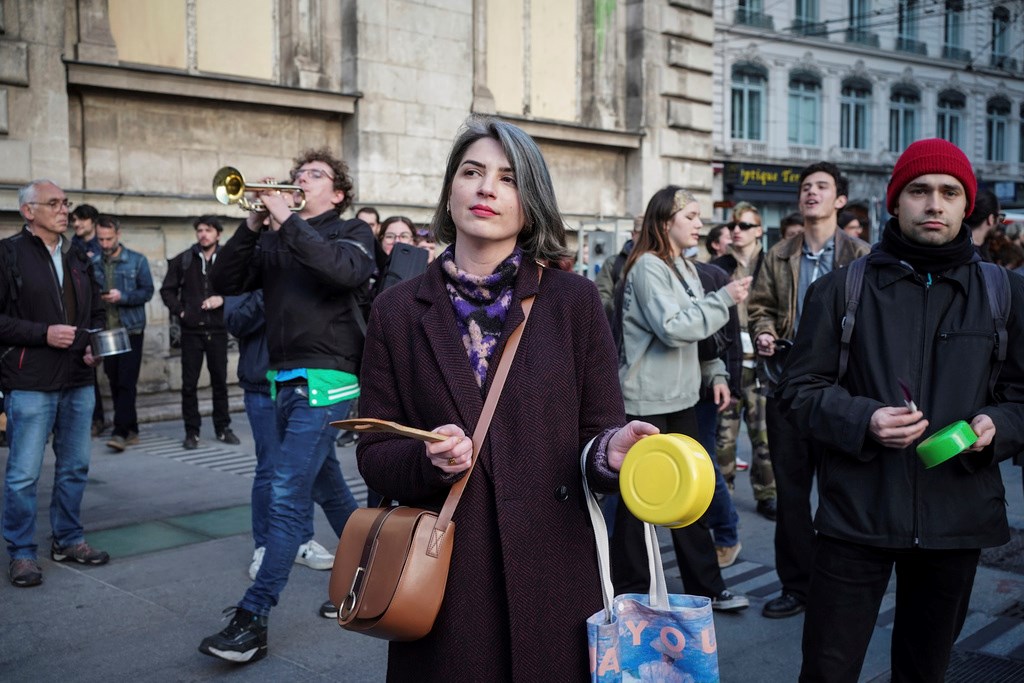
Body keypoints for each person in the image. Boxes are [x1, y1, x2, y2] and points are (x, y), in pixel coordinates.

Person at [356, 116, 657, 680]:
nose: (487, 188)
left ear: (531, 200)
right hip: (444, 577)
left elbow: (598, 429)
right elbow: (373, 450)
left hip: (553, 573)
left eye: (508, 177)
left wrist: (611, 451)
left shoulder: (573, 300)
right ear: (451, 192)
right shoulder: (396, 311)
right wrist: (427, 459)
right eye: (472, 172)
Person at [779, 138, 1024, 682]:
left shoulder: (1004, 294)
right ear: (895, 201)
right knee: (827, 669)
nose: (934, 204)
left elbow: (1021, 397)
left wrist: (996, 426)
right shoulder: (842, 290)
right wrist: (862, 420)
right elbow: (797, 392)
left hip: (956, 516)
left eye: (949, 192)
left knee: (924, 669)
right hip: (855, 517)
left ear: (967, 206)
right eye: (919, 191)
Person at [200, 147, 375, 663]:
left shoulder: (351, 235)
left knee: (285, 490)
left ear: (337, 193)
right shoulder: (275, 237)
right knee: (331, 491)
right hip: (283, 380)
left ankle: (252, 618)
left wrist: (285, 220)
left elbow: (341, 272)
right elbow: (224, 283)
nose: (301, 180)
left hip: (329, 378)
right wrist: (254, 226)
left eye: (314, 175)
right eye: (299, 174)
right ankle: (374, 571)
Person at [611, 185, 752, 613]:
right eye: (690, 216)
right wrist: (724, 298)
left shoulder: (686, 268)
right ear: (665, 221)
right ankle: (631, 592)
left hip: (681, 398)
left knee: (693, 497)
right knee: (638, 505)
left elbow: (697, 333)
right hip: (646, 401)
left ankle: (706, 587)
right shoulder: (647, 267)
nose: (699, 224)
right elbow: (674, 327)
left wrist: (715, 372)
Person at [747, 161, 869, 619]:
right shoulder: (778, 253)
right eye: (805, 187)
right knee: (793, 497)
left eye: (821, 187)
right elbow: (759, 307)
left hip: (842, 392)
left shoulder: (861, 256)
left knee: (841, 495)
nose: (811, 193)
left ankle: (839, 589)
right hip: (787, 388)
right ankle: (797, 587)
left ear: (839, 199)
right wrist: (762, 330)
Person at [1, 180, 109, 587]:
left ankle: (67, 538)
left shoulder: (77, 254)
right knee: (24, 474)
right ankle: (22, 552)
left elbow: (94, 310)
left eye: (65, 203)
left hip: (78, 377)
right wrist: (43, 333)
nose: (64, 210)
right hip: (30, 379)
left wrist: (91, 345)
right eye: (54, 204)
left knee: (75, 466)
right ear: (29, 212)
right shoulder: (7, 254)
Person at [223, 291, 338, 586]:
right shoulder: (251, 264)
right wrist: (268, 287)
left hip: (305, 382)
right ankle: (264, 545)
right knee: (270, 468)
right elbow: (236, 321)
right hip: (262, 385)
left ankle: (302, 540)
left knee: (310, 470)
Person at [711, 202, 776, 522]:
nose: (737, 230)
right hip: (729, 360)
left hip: (763, 362)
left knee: (762, 435)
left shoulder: (772, 263)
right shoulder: (718, 265)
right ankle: (724, 499)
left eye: (746, 225)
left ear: (759, 231)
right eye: (734, 225)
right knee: (724, 437)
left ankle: (767, 494)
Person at [160, 216, 239, 450]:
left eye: (209, 230)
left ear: (218, 234)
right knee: (189, 384)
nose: (203, 234)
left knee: (220, 383)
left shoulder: (228, 259)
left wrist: (222, 299)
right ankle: (191, 431)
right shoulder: (184, 259)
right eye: (200, 230)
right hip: (191, 332)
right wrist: (182, 312)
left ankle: (223, 428)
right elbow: (167, 291)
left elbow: (242, 287)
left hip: (218, 330)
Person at [93, 215, 154, 452]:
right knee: (115, 380)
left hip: (131, 330)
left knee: (127, 381)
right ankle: (132, 429)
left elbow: (147, 292)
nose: (105, 244)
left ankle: (119, 431)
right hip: (106, 331)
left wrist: (123, 297)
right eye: (101, 239)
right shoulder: (95, 262)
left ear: (118, 235)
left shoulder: (137, 261)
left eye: (109, 239)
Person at [70, 203, 107, 435]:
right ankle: (90, 419)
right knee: (84, 369)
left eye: (81, 220)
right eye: (74, 220)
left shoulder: (103, 246)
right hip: (78, 315)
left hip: (102, 313)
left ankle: (99, 419)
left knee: (97, 370)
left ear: (92, 222)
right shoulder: (70, 246)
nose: (76, 224)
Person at [595, 215, 642, 319]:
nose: (646, 238)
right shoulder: (613, 263)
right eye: (642, 234)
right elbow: (599, 300)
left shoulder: (661, 263)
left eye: (650, 234)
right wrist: (623, 306)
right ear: (633, 234)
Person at [965, 189, 1001, 261]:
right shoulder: (980, 259)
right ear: (991, 219)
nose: (999, 223)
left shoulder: (955, 249)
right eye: (1000, 217)